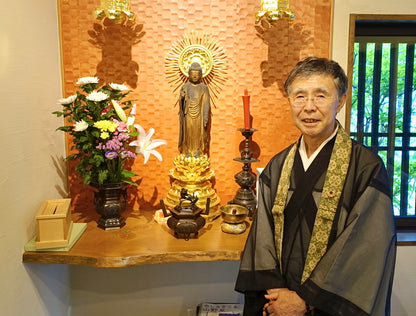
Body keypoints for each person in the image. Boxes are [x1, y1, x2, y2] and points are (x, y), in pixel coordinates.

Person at [235, 57, 396, 316]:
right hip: (278, 303)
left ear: (341, 101)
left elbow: (366, 250)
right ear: (289, 101)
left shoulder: (366, 168)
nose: (309, 107)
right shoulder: (277, 167)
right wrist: (279, 296)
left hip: (330, 306)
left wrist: (305, 302)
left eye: (321, 96)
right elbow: (261, 240)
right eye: (300, 96)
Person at [178, 62, 210, 157]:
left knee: (198, 133)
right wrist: (182, 98)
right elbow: (182, 103)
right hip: (188, 115)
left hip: (199, 115)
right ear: (189, 75)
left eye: (197, 74)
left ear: (201, 75)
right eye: (192, 74)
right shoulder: (185, 86)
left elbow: (206, 103)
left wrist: (205, 117)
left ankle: (198, 150)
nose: (195, 76)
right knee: (189, 132)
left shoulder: (204, 88)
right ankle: (187, 150)